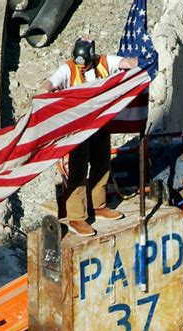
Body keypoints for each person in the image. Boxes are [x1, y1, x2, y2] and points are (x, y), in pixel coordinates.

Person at [40, 36, 138, 237]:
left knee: (102, 164)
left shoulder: (103, 62)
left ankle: (98, 204)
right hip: (79, 128)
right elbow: (51, 82)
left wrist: (142, 61)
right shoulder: (68, 69)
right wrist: (43, 92)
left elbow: (126, 63)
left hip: (101, 123)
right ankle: (77, 216)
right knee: (78, 169)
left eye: (85, 64)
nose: (82, 69)